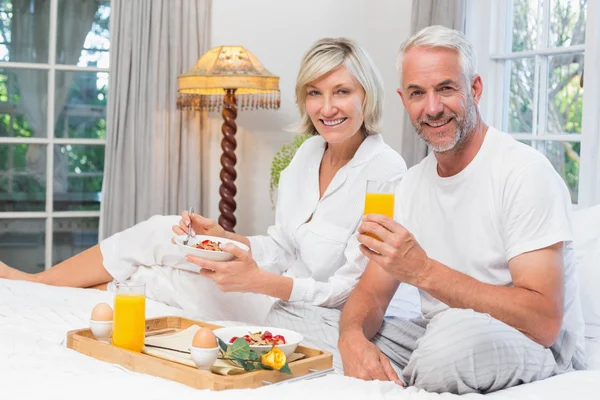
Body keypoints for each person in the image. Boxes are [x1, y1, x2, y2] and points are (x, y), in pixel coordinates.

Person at [0, 38, 418, 335]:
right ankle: (36, 285)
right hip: (273, 285)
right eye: (315, 93)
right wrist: (225, 238)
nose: (327, 108)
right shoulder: (307, 155)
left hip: (313, 312)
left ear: (368, 95)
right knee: (165, 231)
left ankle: (34, 289)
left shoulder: (384, 173)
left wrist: (259, 282)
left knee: (158, 276)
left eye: (341, 92)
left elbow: (351, 291)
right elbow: (283, 246)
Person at [336, 25, 586, 394]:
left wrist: (422, 271)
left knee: (450, 343)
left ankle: (405, 375)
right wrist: (352, 338)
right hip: (438, 334)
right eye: (418, 93)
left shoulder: (524, 172)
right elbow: (372, 293)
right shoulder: (409, 184)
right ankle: (401, 366)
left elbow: (544, 321)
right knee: (298, 319)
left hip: (530, 343)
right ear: (404, 100)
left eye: (446, 88)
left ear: (475, 89)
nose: (432, 108)